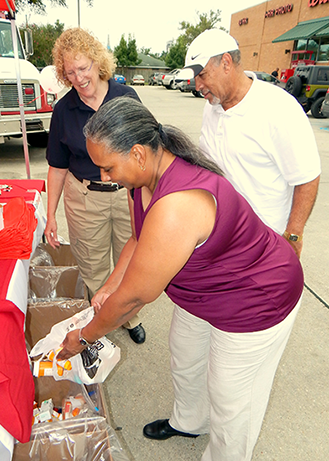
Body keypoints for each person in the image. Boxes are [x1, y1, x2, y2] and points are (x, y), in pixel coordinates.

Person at [57, 97, 304, 461]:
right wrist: (109, 285)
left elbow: (135, 298)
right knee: (185, 358)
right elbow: (138, 238)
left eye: (107, 168)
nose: (103, 177)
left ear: (138, 153)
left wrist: (84, 336)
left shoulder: (178, 204)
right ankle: (190, 421)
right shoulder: (144, 177)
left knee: (232, 402)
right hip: (207, 289)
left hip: (256, 297)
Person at [179, 29, 320, 258]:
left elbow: (307, 178)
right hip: (223, 240)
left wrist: (293, 237)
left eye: (202, 75)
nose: (197, 85)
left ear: (226, 62)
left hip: (266, 247)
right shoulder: (211, 108)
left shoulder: (278, 108)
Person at [44, 28, 145, 344]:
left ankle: (129, 317)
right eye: (70, 72)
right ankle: (102, 319)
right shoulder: (63, 110)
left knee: (134, 261)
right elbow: (57, 167)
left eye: (83, 68)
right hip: (84, 197)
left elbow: (148, 152)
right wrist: (51, 216)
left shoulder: (126, 98)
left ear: (98, 62)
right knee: (93, 266)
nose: (78, 78)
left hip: (127, 193)